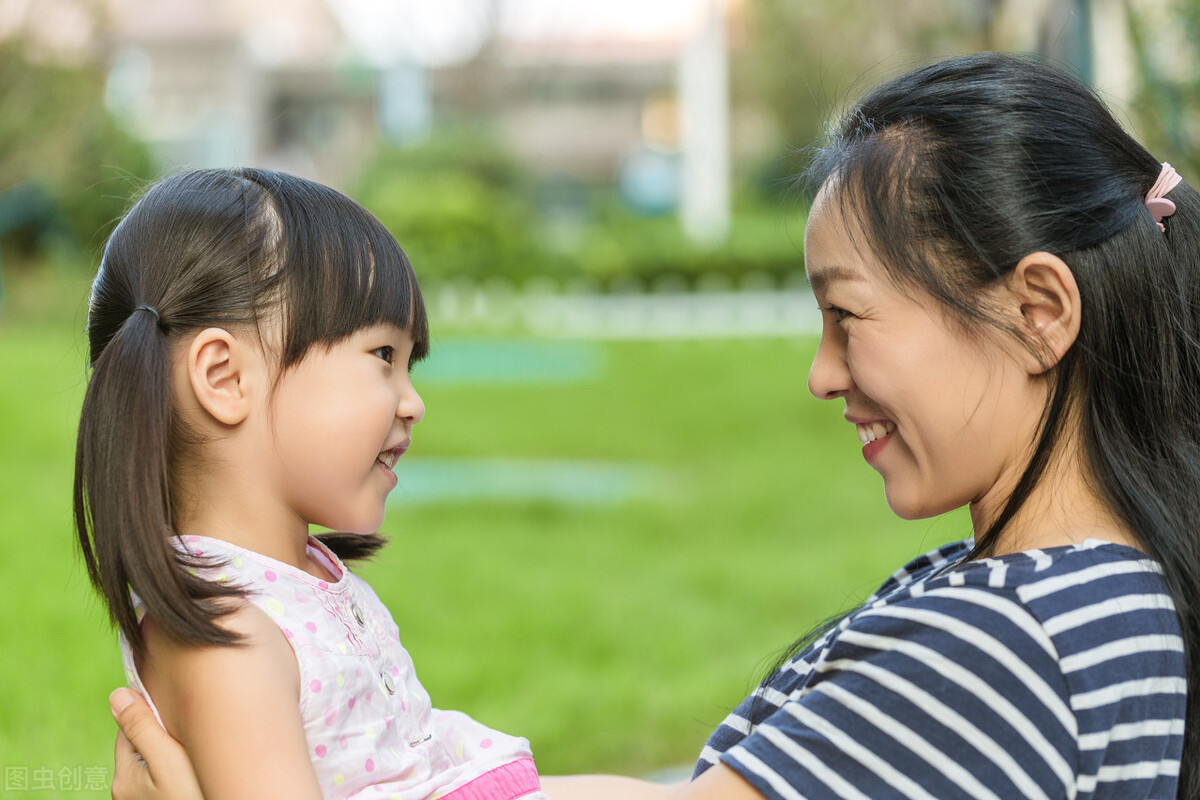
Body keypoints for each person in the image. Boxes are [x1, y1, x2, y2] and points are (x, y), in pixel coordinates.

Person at [108, 52, 1198, 799]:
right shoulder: (1062, 593)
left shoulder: (1009, 645)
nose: (822, 374)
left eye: (846, 317)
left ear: (1040, 311)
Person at [77, 168, 548, 800]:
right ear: (224, 377)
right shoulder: (229, 643)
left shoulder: (296, 585)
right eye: (383, 355)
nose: (412, 403)